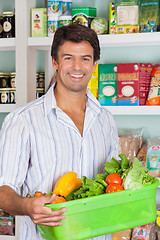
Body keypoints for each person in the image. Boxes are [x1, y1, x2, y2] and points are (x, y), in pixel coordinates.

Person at [0, 23, 118, 240]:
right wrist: (27, 206)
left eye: (85, 58)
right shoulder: (22, 121)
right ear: (54, 62)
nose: (77, 66)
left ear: (94, 65)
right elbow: (3, 191)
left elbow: (113, 182)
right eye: (68, 58)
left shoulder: (105, 120)